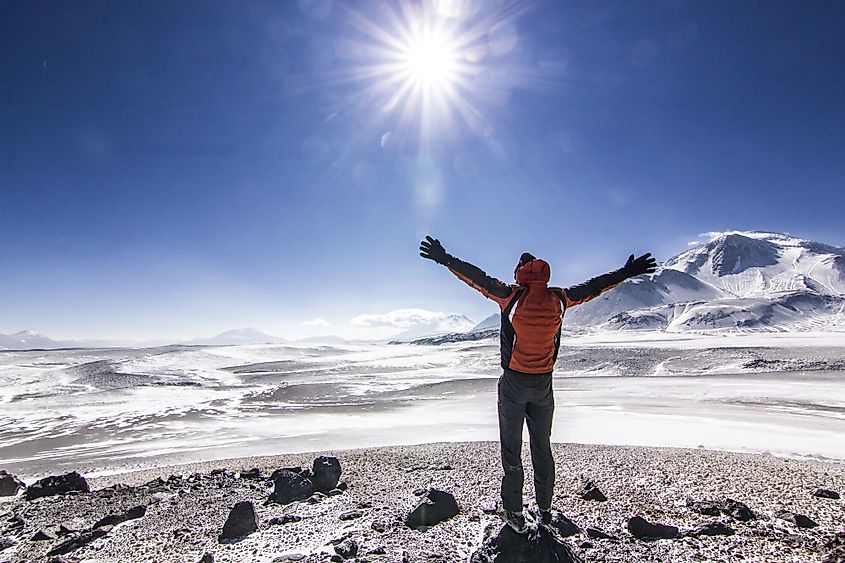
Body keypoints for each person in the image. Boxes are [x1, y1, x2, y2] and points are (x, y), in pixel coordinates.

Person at [419, 235, 656, 533]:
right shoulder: (559, 298)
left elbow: (476, 278)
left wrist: (445, 259)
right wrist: (627, 272)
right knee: (542, 449)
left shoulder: (511, 296)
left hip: (514, 385)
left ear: (520, 272)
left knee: (512, 451)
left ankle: (514, 512)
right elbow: (594, 286)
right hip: (544, 386)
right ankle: (545, 509)